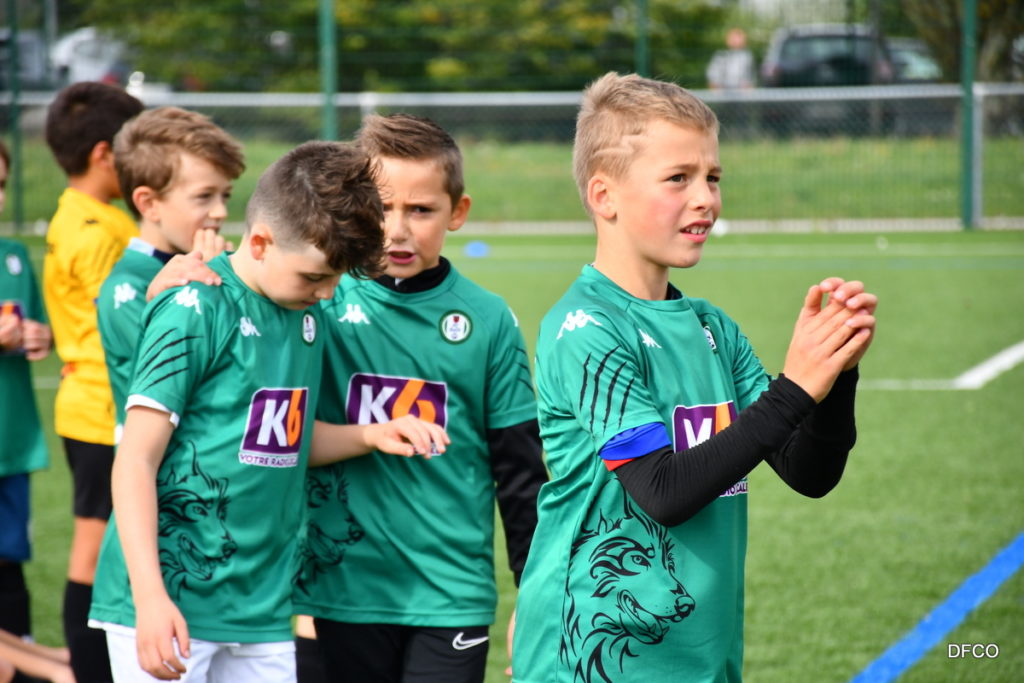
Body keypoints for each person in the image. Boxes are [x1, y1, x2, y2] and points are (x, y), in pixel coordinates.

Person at [511, 72, 877, 681]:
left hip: (701, 655)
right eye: (678, 178)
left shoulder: (713, 328)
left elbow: (810, 473)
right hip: (596, 662)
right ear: (605, 196)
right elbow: (664, 493)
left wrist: (836, 376)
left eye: (713, 177)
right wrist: (793, 390)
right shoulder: (585, 328)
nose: (705, 197)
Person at [88, 141, 449, 683]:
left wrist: (371, 435)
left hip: (263, 608)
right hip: (170, 601)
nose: (327, 294)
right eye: (315, 277)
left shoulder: (305, 315)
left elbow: (285, 441)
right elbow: (135, 460)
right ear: (259, 242)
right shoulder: (193, 306)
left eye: (337, 278)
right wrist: (150, 599)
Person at [293, 114, 548, 683]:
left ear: (458, 211)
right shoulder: (319, 299)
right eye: (382, 208)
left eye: (421, 210)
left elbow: (520, 473)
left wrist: (534, 595)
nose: (397, 230)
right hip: (341, 589)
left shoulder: (487, 320)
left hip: (450, 593)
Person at [42, 81, 144, 683]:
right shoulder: (100, 230)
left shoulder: (77, 214)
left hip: (88, 400)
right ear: (105, 154)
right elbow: (122, 322)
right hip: (103, 408)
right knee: (94, 551)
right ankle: (88, 669)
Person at [97, 106, 244, 442]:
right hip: (168, 466)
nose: (220, 211)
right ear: (149, 204)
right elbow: (209, 373)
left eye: (225, 195)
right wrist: (223, 287)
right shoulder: (129, 287)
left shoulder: (214, 264)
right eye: (204, 197)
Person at [1, 140, 74, 683]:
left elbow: (42, 330)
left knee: (9, 562)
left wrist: (38, 337)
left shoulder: (14, 257)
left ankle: (28, 656)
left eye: (1, 185)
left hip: (13, 439)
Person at [706, 27, 756, 91]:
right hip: (723, 93)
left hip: (742, 94)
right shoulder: (721, 55)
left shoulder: (747, 56)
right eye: (734, 38)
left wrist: (748, 90)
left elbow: (750, 78)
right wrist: (717, 91)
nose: (736, 41)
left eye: (739, 38)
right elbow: (713, 77)